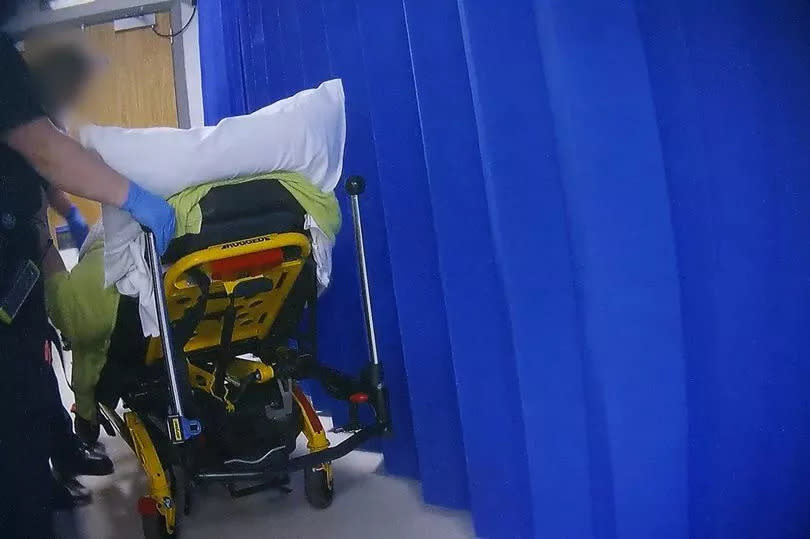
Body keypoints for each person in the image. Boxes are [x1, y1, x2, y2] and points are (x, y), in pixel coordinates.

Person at [0, 2, 175, 536]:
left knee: (28, 376)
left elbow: (30, 155)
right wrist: (132, 195)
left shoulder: (14, 68)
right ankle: (25, 507)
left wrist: (68, 212)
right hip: (8, 254)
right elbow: (43, 149)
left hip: (17, 245)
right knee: (14, 400)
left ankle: (44, 476)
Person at [27, 43, 117, 510]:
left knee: (40, 360)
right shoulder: (19, 110)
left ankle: (62, 449)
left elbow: (47, 178)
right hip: (18, 245)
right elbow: (39, 167)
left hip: (30, 234)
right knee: (28, 367)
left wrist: (71, 214)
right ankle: (46, 471)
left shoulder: (37, 115)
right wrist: (45, 239)